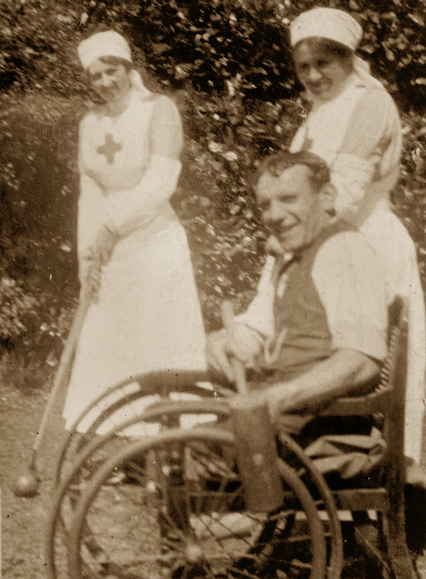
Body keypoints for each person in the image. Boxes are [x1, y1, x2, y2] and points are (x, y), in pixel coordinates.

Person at [277, 7, 425, 462]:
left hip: (364, 242)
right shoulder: (316, 117)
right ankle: (321, 468)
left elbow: (343, 191)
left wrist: (293, 241)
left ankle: (377, 469)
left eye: (324, 62)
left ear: (347, 57)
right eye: (304, 66)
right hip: (324, 246)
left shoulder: (370, 102)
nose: (314, 75)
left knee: (363, 360)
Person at [62, 30, 207, 430]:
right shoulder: (89, 124)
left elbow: (161, 183)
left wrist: (113, 225)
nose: (106, 82)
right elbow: (88, 195)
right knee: (111, 344)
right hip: (110, 252)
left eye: (113, 71)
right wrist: (85, 257)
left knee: (156, 342)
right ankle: (114, 441)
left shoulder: (158, 109)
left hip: (153, 242)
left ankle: (168, 440)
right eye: (96, 76)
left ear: (128, 67)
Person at [207, 151, 388, 440]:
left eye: (289, 198)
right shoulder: (298, 256)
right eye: (265, 205)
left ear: (327, 196)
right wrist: (228, 343)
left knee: (179, 455)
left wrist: (277, 397)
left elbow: (360, 362)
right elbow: (277, 334)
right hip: (284, 419)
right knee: (172, 451)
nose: (274, 215)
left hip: (318, 428)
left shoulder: (343, 251)